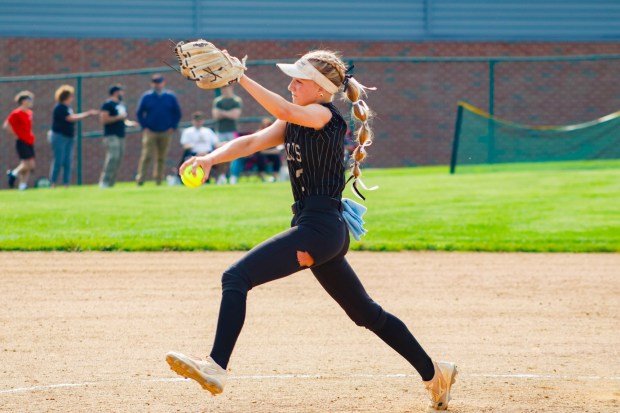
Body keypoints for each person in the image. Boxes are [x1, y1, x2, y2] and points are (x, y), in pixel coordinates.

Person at [168, 50, 458, 411]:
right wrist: (209, 159)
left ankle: (216, 366)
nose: (290, 85)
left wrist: (239, 78)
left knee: (236, 277)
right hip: (321, 230)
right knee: (365, 314)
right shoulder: (296, 120)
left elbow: (286, 111)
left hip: (321, 229)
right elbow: (250, 142)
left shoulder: (322, 115)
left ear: (321, 91)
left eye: (298, 80)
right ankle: (435, 374)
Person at [135, 73, 182, 186]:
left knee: (161, 157)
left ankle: (158, 180)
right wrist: (144, 127)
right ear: (152, 84)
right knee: (147, 156)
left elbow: (177, 113)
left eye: (159, 82)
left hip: (166, 131)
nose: (157, 85)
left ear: (163, 83)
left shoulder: (170, 96)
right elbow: (140, 113)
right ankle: (140, 179)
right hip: (150, 131)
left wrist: (173, 127)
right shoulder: (147, 96)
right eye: (155, 82)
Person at [49, 85, 99, 187]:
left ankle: (66, 184)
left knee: (68, 161)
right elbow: (70, 118)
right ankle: (52, 183)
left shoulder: (68, 108)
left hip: (69, 137)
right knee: (58, 160)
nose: (72, 98)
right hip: (59, 136)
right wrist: (87, 114)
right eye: (71, 96)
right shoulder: (60, 107)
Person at [98, 84, 137, 188]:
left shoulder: (122, 104)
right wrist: (118, 117)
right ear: (115, 92)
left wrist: (130, 123)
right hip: (111, 135)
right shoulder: (107, 104)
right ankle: (104, 181)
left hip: (121, 135)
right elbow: (104, 119)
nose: (122, 94)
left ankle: (111, 183)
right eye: (121, 91)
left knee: (119, 158)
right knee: (113, 157)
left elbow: (124, 120)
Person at [4, 91, 36, 190]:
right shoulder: (17, 113)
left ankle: (22, 185)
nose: (31, 102)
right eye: (29, 100)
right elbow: (6, 125)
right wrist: (16, 135)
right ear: (23, 101)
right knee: (29, 164)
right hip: (21, 141)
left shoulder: (30, 113)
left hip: (29, 141)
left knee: (27, 165)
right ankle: (13, 174)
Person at [211, 84, 242, 184]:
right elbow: (216, 115)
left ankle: (233, 176)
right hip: (220, 132)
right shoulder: (218, 101)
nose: (224, 90)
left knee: (234, 154)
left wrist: (222, 113)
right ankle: (221, 176)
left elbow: (235, 115)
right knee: (221, 154)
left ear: (231, 87)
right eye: (222, 88)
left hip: (232, 131)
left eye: (226, 87)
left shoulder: (236, 100)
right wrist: (228, 113)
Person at [178, 111, 219, 179]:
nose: (198, 122)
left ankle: (220, 177)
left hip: (208, 153)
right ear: (193, 121)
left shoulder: (208, 131)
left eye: (199, 120)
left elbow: (216, 144)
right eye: (196, 120)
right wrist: (196, 151)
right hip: (193, 154)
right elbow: (185, 145)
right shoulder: (188, 131)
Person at [255, 117, 283, 182]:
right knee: (261, 158)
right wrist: (270, 151)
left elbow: (277, 150)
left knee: (276, 158)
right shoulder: (259, 133)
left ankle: (275, 177)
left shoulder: (274, 134)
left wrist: (267, 151)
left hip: (270, 153)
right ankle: (263, 177)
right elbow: (260, 151)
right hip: (261, 154)